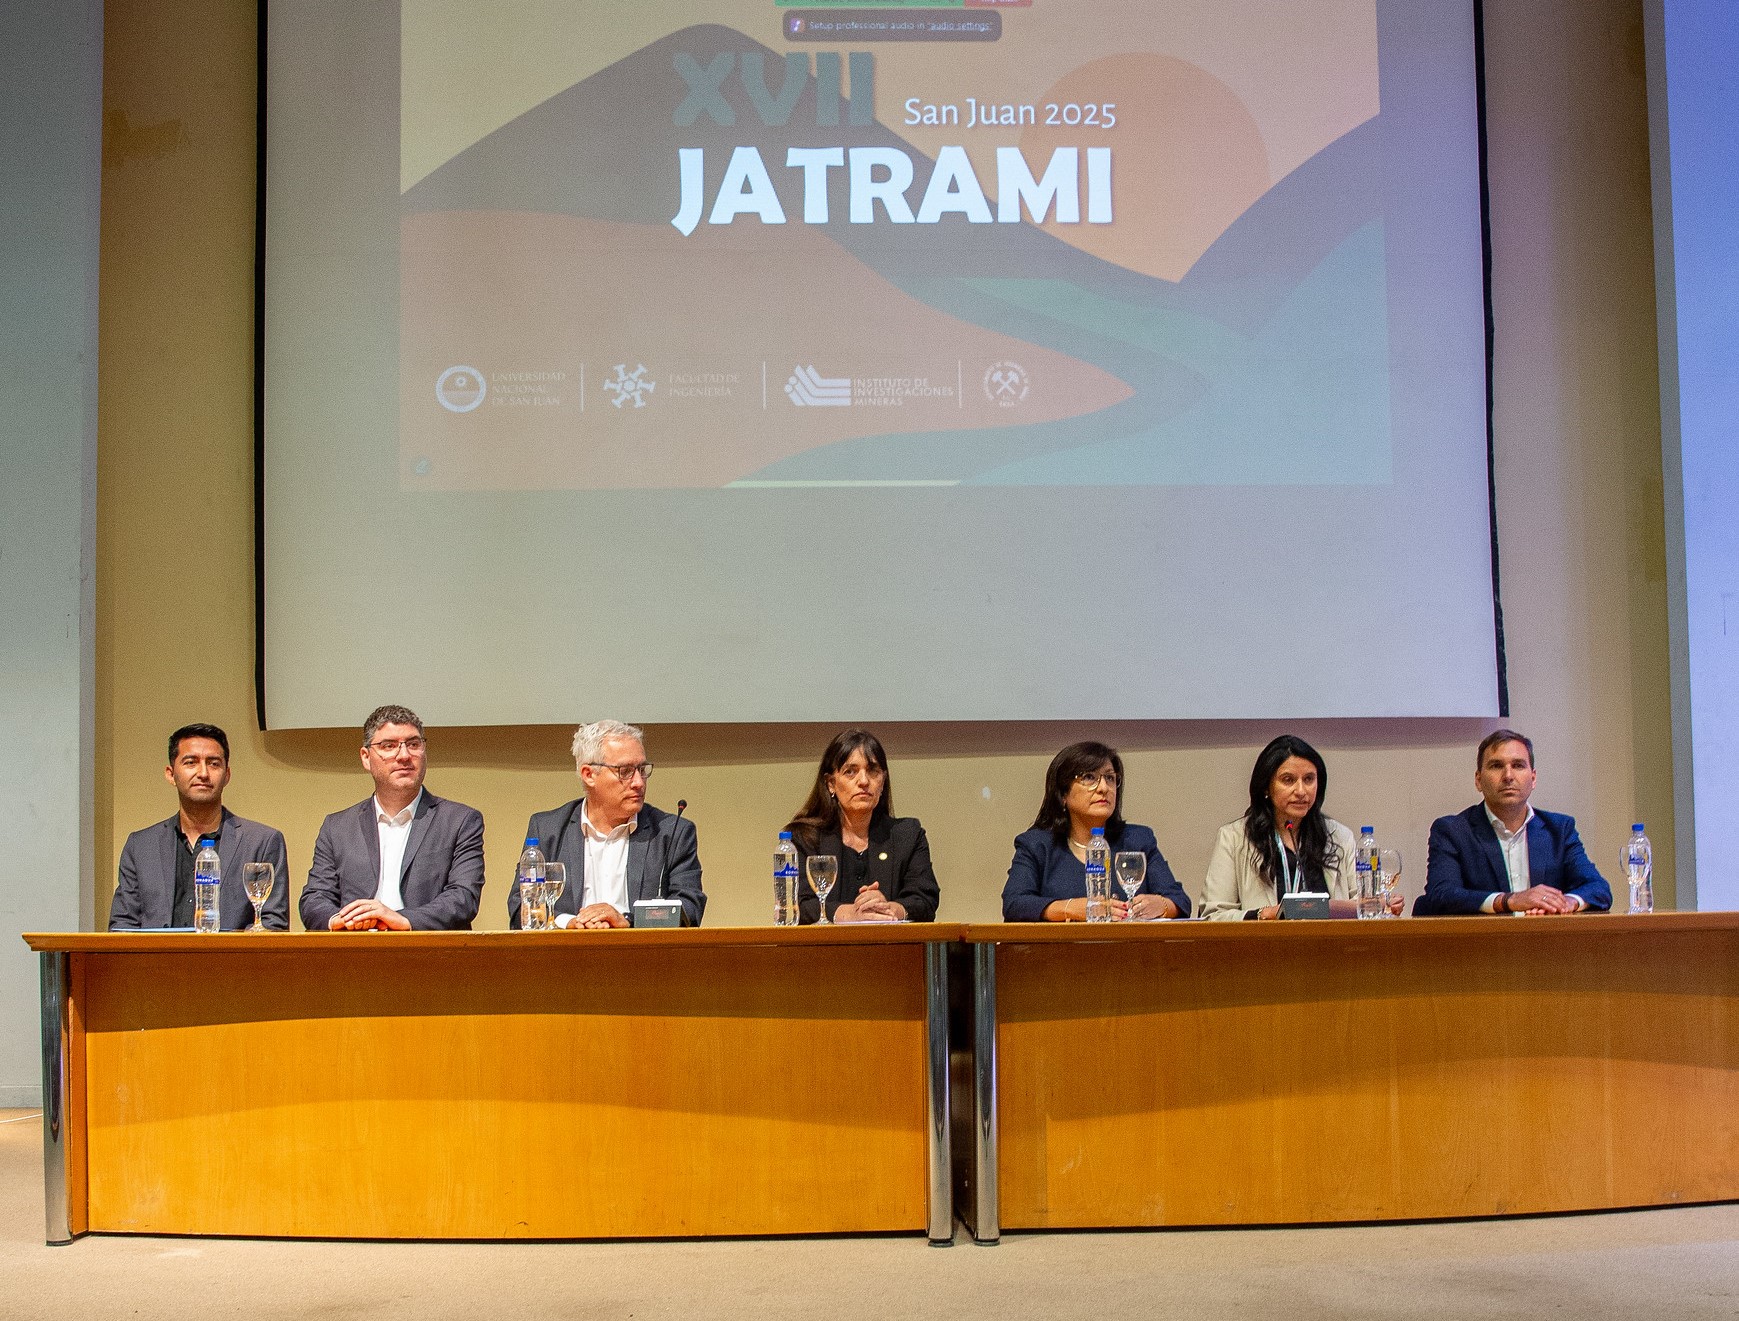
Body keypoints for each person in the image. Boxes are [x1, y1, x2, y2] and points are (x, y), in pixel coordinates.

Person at [299, 704, 485, 931]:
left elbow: (463, 897)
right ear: (366, 758)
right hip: (355, 950)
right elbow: (314, 899)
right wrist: (341, 919)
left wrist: (402, 919)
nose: (404, 755)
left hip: (428, 953)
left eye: (414, 744)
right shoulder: (337, 827)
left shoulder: (460, 821)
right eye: (389, 746)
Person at [512, 720, 704, 929]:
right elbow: (519, 909)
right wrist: (570, 923)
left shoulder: (672, 833)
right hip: (566, 955)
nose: (639, 782)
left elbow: (689, 910)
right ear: (589, 775)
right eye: (625, 771)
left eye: (642, 769)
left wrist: (627, 921)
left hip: (642, 956)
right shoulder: (548, 829)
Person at [111, 723, 290, 930]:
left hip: (232, 961)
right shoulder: (141, 846)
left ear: (227, 775)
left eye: (214, 764)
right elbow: (122, 926)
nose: (203, 773)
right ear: (171, 774)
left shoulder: (262, 842)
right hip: (157, 962)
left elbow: (272, 925)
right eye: (191, 762)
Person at [1414, 729, 1611, 916]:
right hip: (1481, 946)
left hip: (1546, 944)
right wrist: (1508, 901)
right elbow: (1441, 895)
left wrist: (1567, 902)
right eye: (1496, 766)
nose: (1508, 776)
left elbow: (1598, 888)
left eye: (1518, 765)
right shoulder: (1453, 831)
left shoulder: (1559, 829)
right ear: (1478, 780)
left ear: (1533, 778)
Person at [1201, 733, 1387, 920]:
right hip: (1262, 946)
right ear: (1266, 786)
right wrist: (1263, 914)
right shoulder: (1234, 838)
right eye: (1288, 780)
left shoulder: (1339, 836)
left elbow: (1364, 906)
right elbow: (1213, 915)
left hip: (1329, 945)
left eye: (1308, 779)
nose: (1301, 791)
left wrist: (1380, 904)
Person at [1002, 741, 1191, 922]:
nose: (1103, 788)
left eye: (1110, 778)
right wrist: (1071, 909)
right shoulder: (1037, 845)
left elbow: (1180, 901)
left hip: (1130, 952)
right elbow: (1014, 904)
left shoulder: (1137, 840)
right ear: (1063, 794)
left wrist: (1162, 905)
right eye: (1089, 777)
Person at [784, 729, 939, 924]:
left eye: (872, 771)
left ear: (882, 782)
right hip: (823, 952)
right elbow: (796, 904)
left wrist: (890, 908)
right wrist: (849, 913)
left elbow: (925, 899)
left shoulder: (907, 835)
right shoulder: (804, 838)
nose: (864, 781)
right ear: (831, 783)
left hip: (891, 950)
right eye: (851, 772)